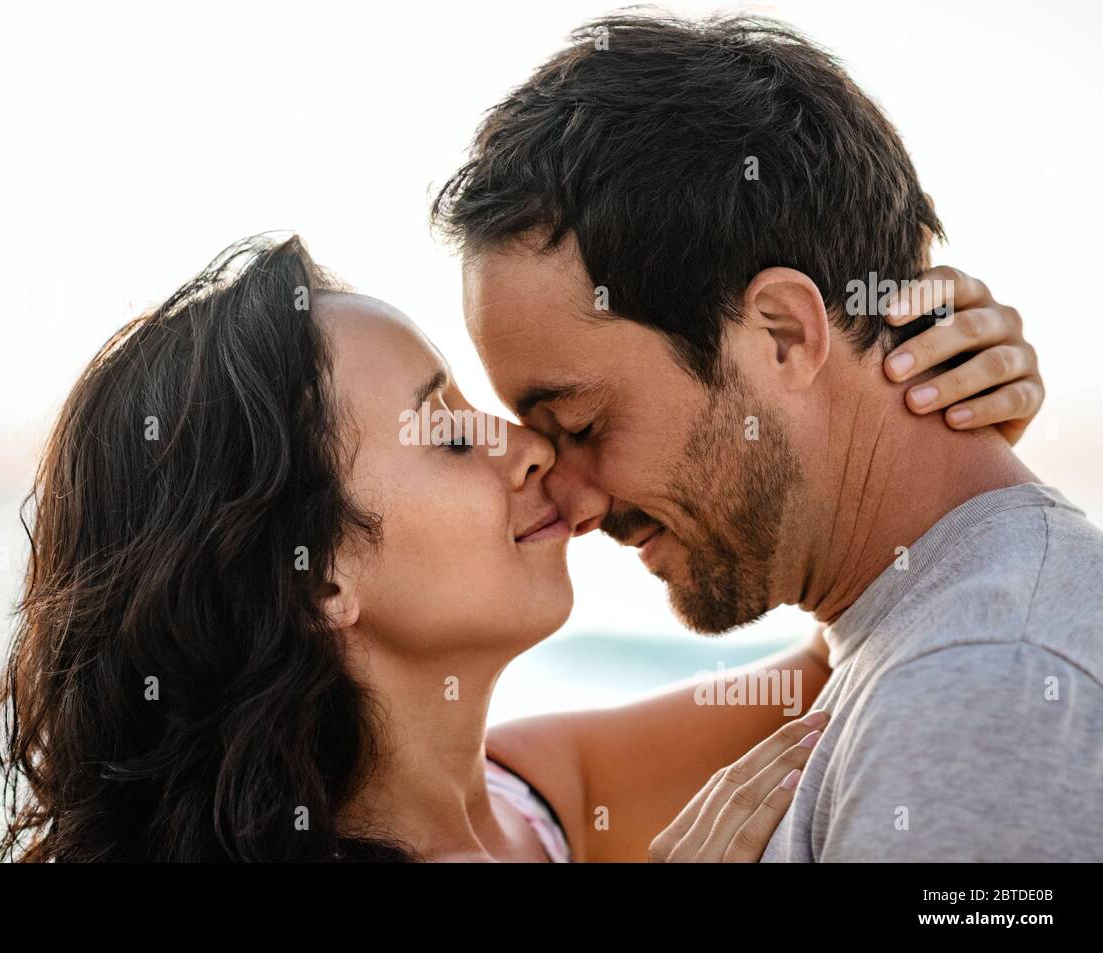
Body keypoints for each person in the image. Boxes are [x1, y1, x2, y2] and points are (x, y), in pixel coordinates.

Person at [0, 230, 1043, 861]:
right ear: (317, 576)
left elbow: (849, 655)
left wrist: (909, 399)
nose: (529, 446)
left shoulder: (532, 796)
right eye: (450, 431)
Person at [433, 12, 1101, 862]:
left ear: (784, 333)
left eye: (581, 424)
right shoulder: (919, 652)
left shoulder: (977, 690)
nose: (571, 496)